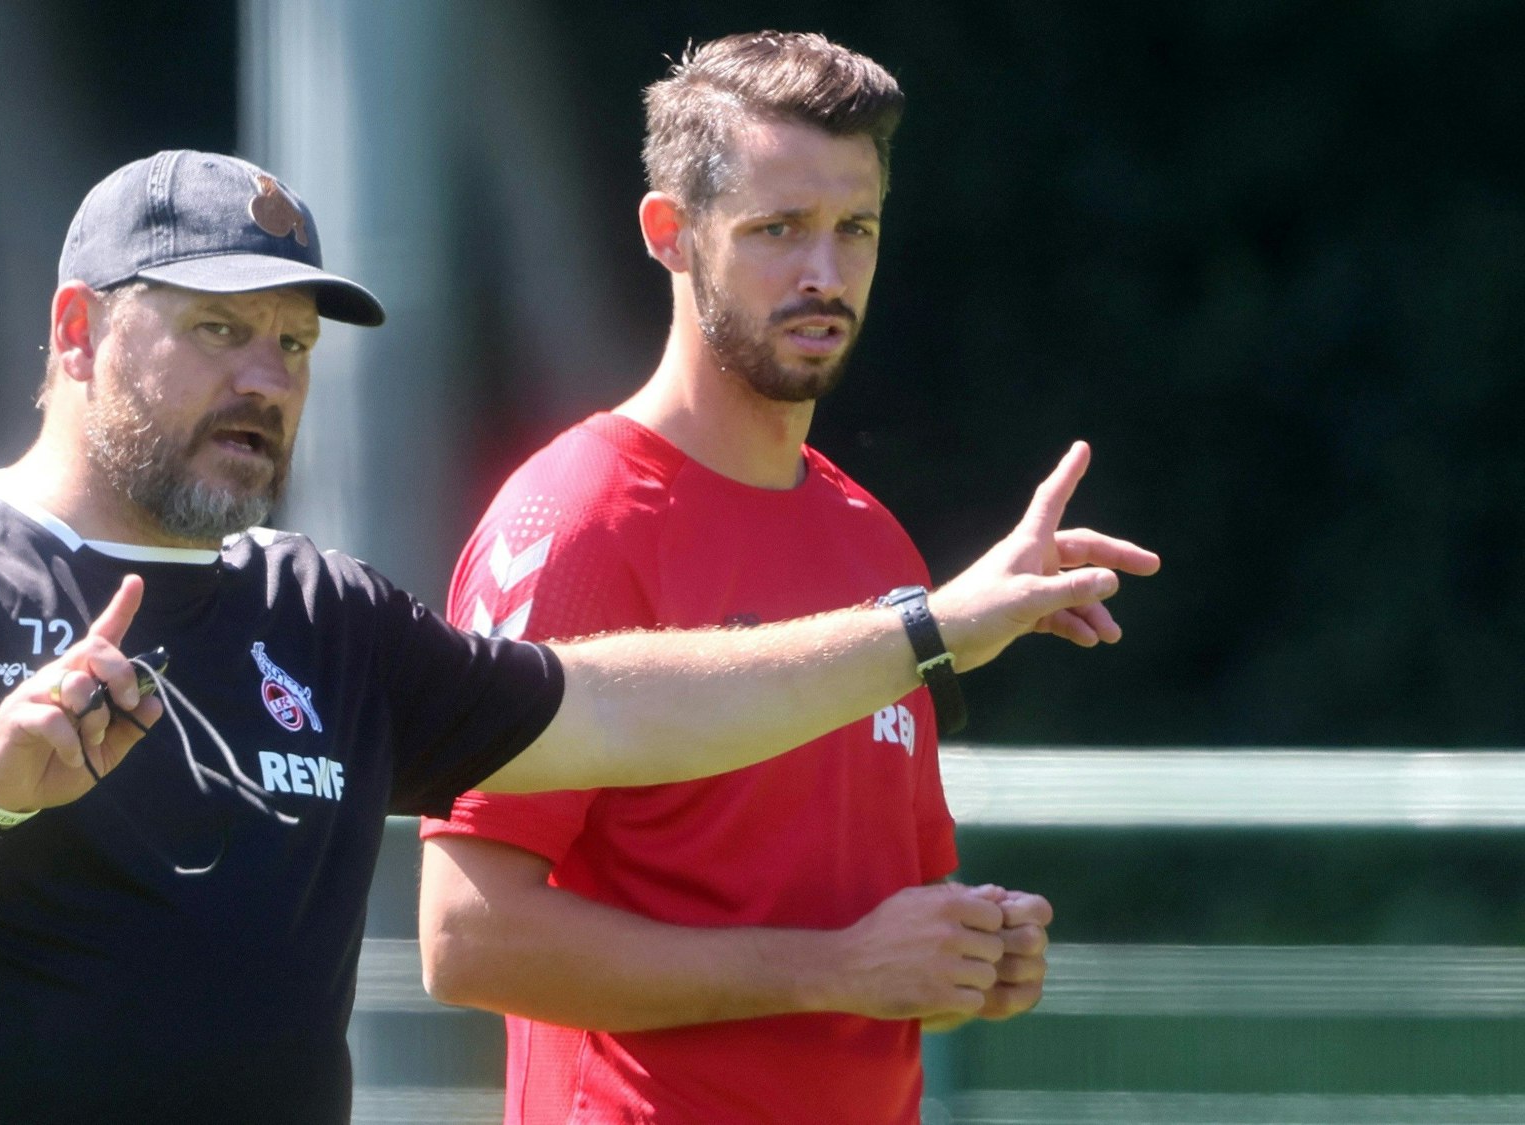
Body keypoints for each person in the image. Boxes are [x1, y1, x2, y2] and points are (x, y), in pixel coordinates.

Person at [0, 149, 1156, 1124]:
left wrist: (929, 629)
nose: (266, 378)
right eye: (219, 330)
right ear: (79, 330)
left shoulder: (323, 614)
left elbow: (620, 708)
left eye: (293, 343)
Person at [418, 33, 1108, 1124]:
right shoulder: (575, 520)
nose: (823, 274)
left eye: (854, 229)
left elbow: (867, 925)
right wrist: (831, 969)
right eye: (777, 229)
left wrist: (965, 952)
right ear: (670, 233)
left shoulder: (875, 546)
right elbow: (468, 938)